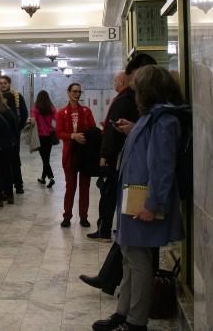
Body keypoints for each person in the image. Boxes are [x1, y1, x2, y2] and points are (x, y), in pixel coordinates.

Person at [92, 65, 186, 331]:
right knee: (128, 257)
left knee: (139, 261)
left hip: (143, 202)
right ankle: (123, 313)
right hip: (132, 199)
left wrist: (152, 205)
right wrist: (132, 129)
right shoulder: (151, 118)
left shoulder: (165, 120)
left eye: (137, 89)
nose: (134, 95)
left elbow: (162, 167)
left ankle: (135, 322)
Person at [80, 54, 158, 293]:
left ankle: (126, 292)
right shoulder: (134, 101)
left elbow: (158, 157)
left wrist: (105, 157)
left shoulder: (136, 103)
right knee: (129, 237)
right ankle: (114, 281)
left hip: (137, 177)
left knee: (132, 236)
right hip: (131, 171)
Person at [56, 82, 96, 227]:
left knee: (85, 187)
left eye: (79, 92)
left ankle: (83, 217)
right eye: (74, 91)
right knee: (70, 187)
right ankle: (67, 216)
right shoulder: (61, 113)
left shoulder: (86, 111)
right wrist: (72, 136)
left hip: (85, 154)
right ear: (68, 92)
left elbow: (93, 130)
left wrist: (86, 136)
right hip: (70, 154)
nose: (77, 94)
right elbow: (59, 132)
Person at [0, 75, 28, 194]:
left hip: (14, 134)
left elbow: (24, 114)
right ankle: (2, 184)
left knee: (14, 159)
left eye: (5, 83)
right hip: (0, 135)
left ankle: (18, 185)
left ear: (9, 83)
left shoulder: (16, 96)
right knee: (1, 161)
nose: (3, 85)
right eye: (0, 83)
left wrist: (18, 129)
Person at [30, 90, 57, 188]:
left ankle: (51, 178)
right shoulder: (52, 108)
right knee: (46, 158)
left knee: (45, 159)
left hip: (40, 137)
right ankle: (42, 178)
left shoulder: (35, 109)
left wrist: (33, 120)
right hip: (49, 136)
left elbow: (32, 122)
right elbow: (56, 120)